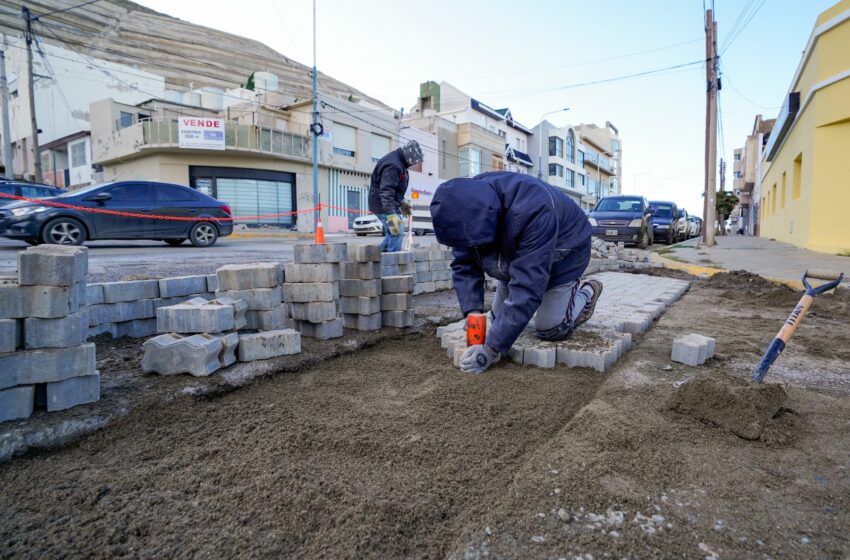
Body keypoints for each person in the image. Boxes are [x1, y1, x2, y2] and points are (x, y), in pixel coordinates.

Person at [430, 171, 603, 374]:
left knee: (550, 329)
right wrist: (472, 313)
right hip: (520, 251)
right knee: (497, 323)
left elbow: (528, 286)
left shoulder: (533, 209)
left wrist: (490, 350)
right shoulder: (465, 208)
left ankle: (588, 291)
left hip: (567, 251)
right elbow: (464, 264)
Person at [369, 140, 424, 253]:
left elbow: (395, 190)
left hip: (388, 203)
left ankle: (377, 256)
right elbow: (386, 190)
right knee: (397, 231)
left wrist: (402, 202)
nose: (413, 164)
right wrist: (390, 214)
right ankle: (391, 264)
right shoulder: (393, 165)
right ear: (408, 156)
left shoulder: (400, 162)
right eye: (413, 162)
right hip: (383, 205)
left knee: (393, 232)